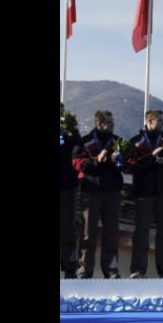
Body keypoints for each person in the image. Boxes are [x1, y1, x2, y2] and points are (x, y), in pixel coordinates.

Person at [127, 109, 163, 278]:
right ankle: (138, 270)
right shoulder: (136, 142)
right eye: (160, 121)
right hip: (144, 193)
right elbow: (130, 165)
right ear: (149, 121)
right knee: (141, 232)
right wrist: (152, 157)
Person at [72, 110, 125, 278]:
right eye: (109, 123)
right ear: (99, 123)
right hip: (91, 191)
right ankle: (84, 270)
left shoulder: (117, 142)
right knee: (88, 232)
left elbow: (127, 165)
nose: (112, 125)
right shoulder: (86, 141)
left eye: (113, 122)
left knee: (112, 232)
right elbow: (77, 163)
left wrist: (119, 161)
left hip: (112, 192)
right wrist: (95, 160)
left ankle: (111, 269)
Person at [60, 102, 81, 279]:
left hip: (67, 186)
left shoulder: (71, 132)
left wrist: (67, 137)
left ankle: (69, 267)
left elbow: (77, 152)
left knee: (67, 228)